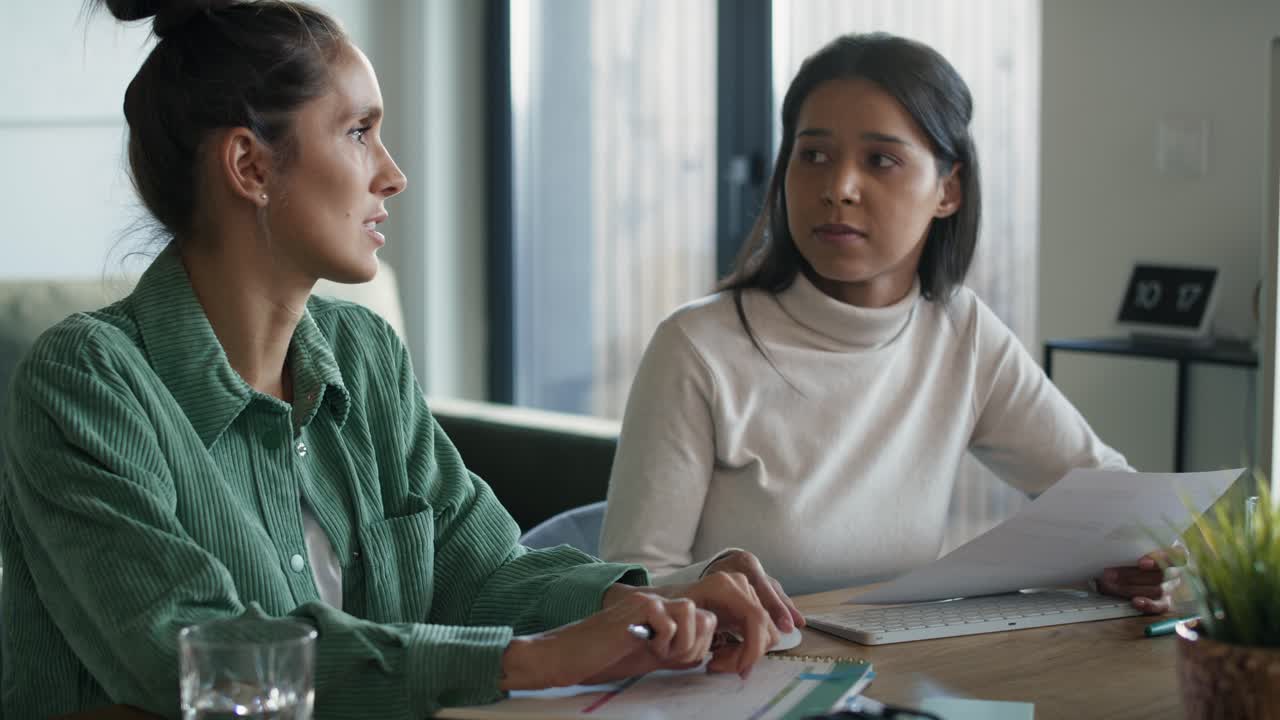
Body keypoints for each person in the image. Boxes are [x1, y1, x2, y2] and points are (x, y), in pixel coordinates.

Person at [0, 2, 778, 718]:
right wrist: (527, 661)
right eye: (359, 131)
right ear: (251, 166)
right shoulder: (83, 384)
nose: (392, 174)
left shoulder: (362, 353)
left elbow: (481, 572)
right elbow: (193, 654)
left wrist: (649, 604)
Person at [599, 33, 1175, 618]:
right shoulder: (698, 347)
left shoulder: (961, 333)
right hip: (735, 678)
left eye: (880, 160)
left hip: (896, 673)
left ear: (947, 190)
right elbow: (631, 585)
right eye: (814, 155)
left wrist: (1131, 562)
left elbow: (1109, 496)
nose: (838, 189)